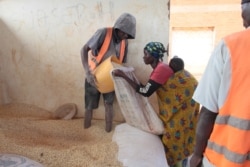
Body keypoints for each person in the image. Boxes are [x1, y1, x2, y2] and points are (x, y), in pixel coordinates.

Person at [113, 42, 200, 167]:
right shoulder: (160, 68)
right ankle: (180, 161)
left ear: (153, 56)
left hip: (183, 106)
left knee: (174, 134)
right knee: (178, 133)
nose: (143, 57)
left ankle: (179, 162)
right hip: (181, 105)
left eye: (146, 54)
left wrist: (123, 76)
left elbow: (144, 91)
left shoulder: (161, 70)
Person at [189, 1, 250, 167]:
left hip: (226, 160)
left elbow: (208, 112)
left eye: (242, 6)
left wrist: (196, 154)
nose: (241, 15)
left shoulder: (231, 46)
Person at [80, 13, 136, 132]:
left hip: (110, 78)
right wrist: (87, 72)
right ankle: (85, 131)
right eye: (124, 32)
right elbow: (84, 50)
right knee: (89, 106)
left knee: (108, 104)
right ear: (118, 28)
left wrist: (126, 72)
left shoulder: (124, 42)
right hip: (93, 76)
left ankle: (108, 132)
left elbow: (121, 63)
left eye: (128, 34)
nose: (125, 35)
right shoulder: (103, 33)